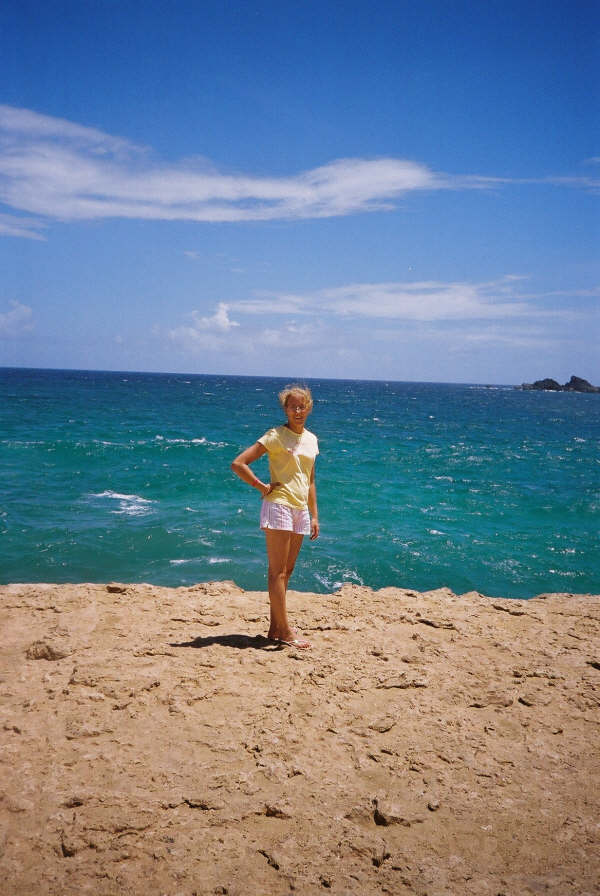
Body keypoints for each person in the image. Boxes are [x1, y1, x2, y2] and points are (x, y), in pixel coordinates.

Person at [231, 384, 319, 649]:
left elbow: (310, 480)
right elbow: (239, 463)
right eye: (293, 407)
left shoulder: (312, 440)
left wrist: (314, 515)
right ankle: (286, 632)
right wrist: (262, 486)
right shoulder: (276, 436)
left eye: (302, 406)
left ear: (309, 408)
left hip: (300, 510)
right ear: (285, 409)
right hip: (279, 505)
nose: (298, 411)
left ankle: (274, 629)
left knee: (287, 572)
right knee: (277, 572)